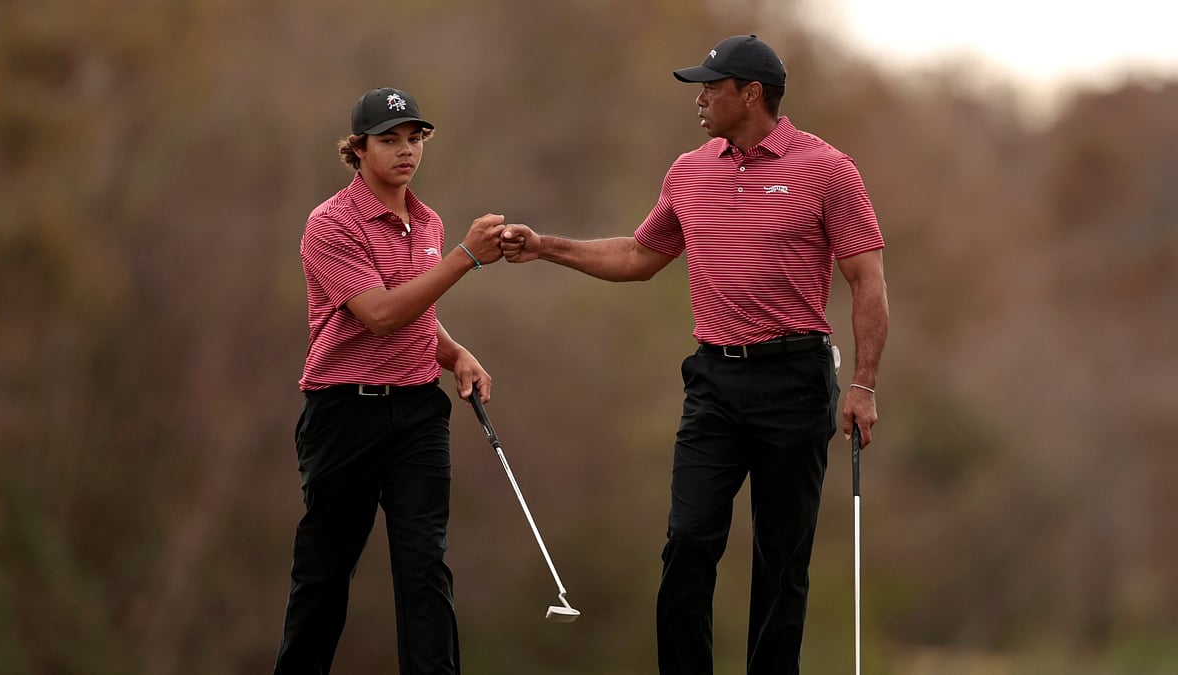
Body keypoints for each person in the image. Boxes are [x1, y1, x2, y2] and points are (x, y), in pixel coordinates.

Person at [500, 35, 889, 674]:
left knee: (782, 558)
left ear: (752, 94)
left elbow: (866, 280)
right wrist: (545, 246)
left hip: (795, 380)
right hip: (714, 381)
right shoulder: (689, 171)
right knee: (688, 540)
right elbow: (640, 256)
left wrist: (864, 385)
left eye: (711, 88)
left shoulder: (827, 169)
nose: (700, 100)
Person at [274, 87, 506, 675]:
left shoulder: (427, 222)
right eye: (389, 140)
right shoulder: (330, 223)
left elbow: (416, 312)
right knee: (324, 576)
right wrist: (466, 257)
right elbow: (379, 314)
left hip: (418, 412)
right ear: (358, 149)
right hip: (343, 413)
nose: (406, 151)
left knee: (426, 567)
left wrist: (454, 354)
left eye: (414, 138)